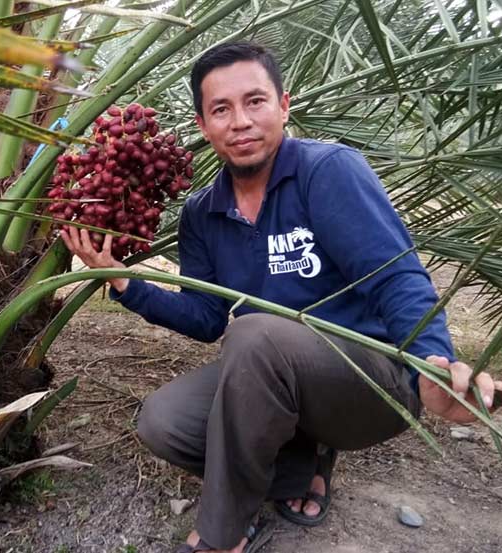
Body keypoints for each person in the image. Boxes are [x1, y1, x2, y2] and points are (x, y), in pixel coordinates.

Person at [61, 41, 502, 553]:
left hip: (368, 382)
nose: (241, 121)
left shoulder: (328, 172)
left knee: (255, 332)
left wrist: (430, 361)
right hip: (268, 376)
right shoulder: (203, 213)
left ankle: (223, 532)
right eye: (221, 110)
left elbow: (396, 278)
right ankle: (297, 465)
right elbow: (205, 318)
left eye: (255, 101)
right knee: (165, 422)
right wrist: (123, 281)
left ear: (283, 105)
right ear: (204, 126)